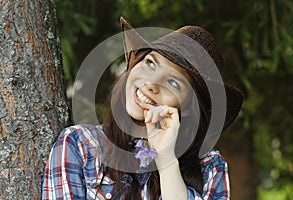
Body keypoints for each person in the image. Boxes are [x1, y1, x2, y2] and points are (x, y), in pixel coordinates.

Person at [42, 16, 243, 200]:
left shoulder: (209, 167)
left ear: (189, 107)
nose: (151, 84)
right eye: (150, 63)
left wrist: (166, 160)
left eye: (173, 83)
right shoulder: (81, 146)